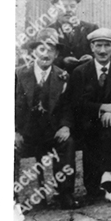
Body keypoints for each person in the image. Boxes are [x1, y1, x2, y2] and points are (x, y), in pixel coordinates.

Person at [15, 30, 77, 210]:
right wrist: (13, 131)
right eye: (41, 49)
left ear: (56, 54)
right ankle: (10, 199)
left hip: (51, 134)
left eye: (50, 50)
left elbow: (68, 107)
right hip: (25, 134)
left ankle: (65, 194)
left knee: (68, 142)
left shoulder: (62, 76)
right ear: (34, 52)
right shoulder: (18, 75)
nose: (45, 54)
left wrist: (65, 126)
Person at [66, 27, 111, 203]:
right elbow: (77, 104)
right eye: (98, 45)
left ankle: (108, 178)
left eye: (107, 46)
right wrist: (103, 108)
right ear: (91, 47)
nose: (102, 50)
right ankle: (100, 182)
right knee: (95, 132)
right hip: (88, 123)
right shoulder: (80, 72)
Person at [51, 0, 98, 73]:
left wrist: (91, 58)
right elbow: (42, 57)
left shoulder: (91, 28)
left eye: (72, 6)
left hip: (85, 78)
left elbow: (101, 51)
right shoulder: (49, 31)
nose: (68, 10)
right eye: (64, 6)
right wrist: (62, 61)